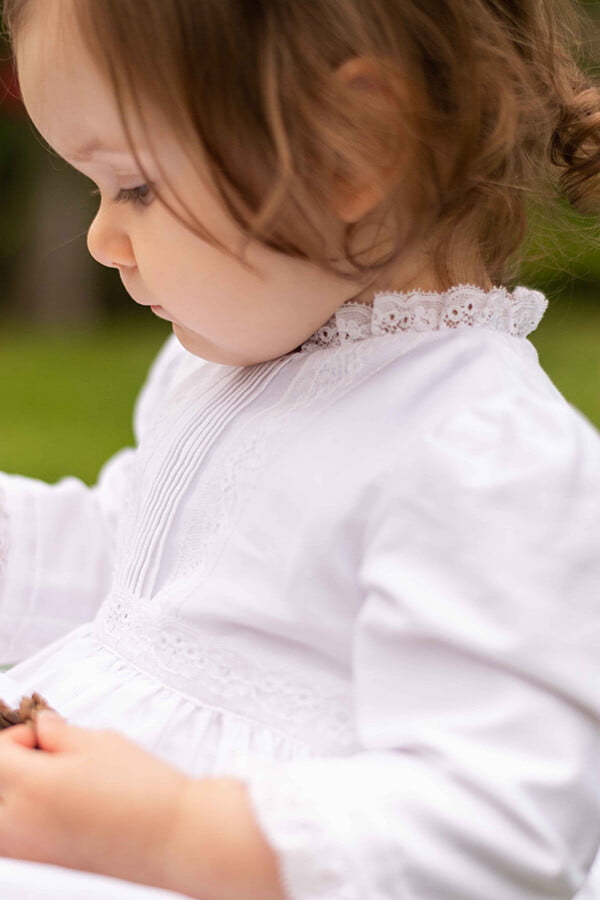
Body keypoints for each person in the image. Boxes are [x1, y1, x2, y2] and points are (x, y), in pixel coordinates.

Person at [0, 0, 599, 897]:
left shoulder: (481, 458)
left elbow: (502, 825)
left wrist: (168, 832)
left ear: (351, 150)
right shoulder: (232, 363)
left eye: (135, 186)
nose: (101, 238)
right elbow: (146, 578)